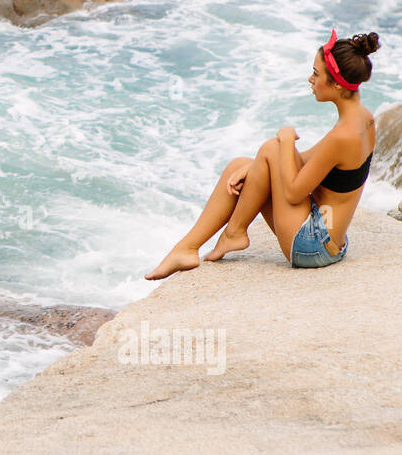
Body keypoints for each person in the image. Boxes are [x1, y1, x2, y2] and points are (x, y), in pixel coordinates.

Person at [145, 29, 381, 280]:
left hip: (315, 245)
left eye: (315, 73)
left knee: (272, 147)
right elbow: (306, 163)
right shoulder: (363, 118)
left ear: (335, 83)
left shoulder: (342, 136)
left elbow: (293, 192)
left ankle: (233, 233)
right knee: (241, 164)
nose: (310, 80)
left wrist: (287, 139)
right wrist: (258, 165)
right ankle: (188, 248)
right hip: (332, 241)